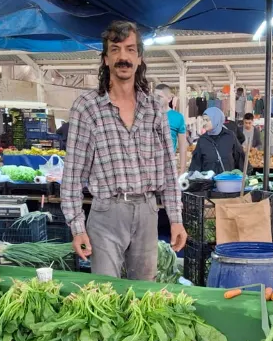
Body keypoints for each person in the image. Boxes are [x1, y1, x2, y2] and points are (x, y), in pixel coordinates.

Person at [61, 20, 185, 280]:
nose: (123, 57)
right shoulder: (87, 107)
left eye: (130, 50)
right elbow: (72, 173)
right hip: (107, 212)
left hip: (147, 212)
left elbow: (168, 168)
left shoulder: (154, 108)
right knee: (105, 293)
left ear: (139, 58)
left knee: (144, 293)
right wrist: (77, 227)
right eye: (115, 50)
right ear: (105, 59)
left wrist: (176, 218)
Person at [189, 107, 246, 175]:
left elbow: (240, 160)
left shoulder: (230, 136)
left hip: (227, 182)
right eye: (203, 120)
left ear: (216, 119)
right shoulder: (202, 140)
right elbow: (195, 166)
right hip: (208, 184)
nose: (204, 123)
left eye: (207, 120)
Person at [154, 84, 187, 173]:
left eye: (159, 97)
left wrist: (182, 171)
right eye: (154, 97)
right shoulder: (147, 114)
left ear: (169, 99)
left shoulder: (178, 117)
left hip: (168, 165)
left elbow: (182, 146)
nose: (156, 99)